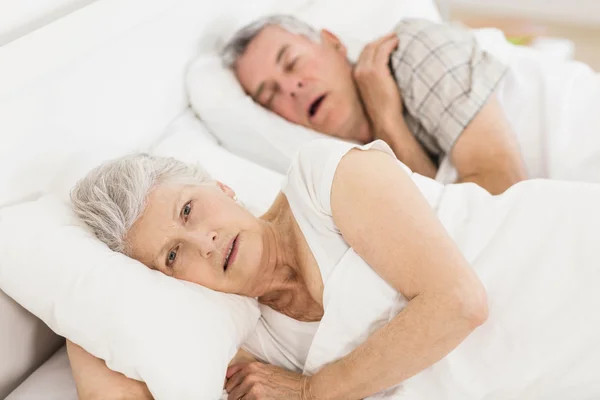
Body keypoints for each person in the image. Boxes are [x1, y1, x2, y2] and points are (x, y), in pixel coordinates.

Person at [67, 138, 600, 399]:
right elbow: (113, 368)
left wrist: (310, 391)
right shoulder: (252, 344)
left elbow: (458, 303)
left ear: (219, 187)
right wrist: (82, 303)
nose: (202, 242)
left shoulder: (324, 182)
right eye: (172, 256)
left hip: (569, 257)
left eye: (188, 210)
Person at [222, 16, 529, 195]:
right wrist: (387, 118)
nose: (291, 88)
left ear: (333, 42)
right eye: (269, 95)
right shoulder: (354, 173)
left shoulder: (411, 50)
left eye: (292, 62)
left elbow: (504, 193)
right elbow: (445, 219)